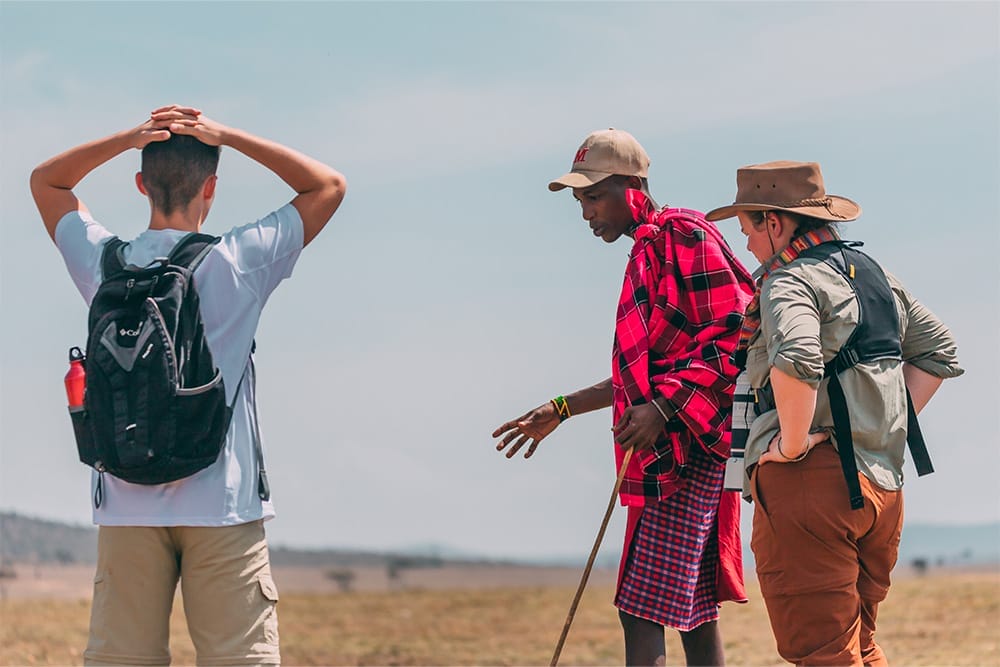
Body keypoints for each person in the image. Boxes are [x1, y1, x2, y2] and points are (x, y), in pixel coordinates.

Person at [31, 105, 346, 666]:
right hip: (222, 502)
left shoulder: (105, 263)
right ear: (212, 187)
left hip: (125, 502)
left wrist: (128, 138)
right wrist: (229, 136)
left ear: (140, 184)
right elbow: (327, 186)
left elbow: (47, 181)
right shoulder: (237, 260)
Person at [492, 129, 754, 666]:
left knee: (640, 608)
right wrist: (562, 408)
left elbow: (738, 334)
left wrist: (663, 409)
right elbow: (644, 377)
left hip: (690, 449)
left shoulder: (685, 236)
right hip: (670, 451)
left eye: (593, 196)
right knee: (693, 611)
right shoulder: (649, 250)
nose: (586, 212)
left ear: (632, 187)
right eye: (579, 201)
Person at [704, 160, 963, 666]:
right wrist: (881, 424)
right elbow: (939, 353)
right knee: (858, 648)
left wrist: (792, 444)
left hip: (812, 487)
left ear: (774, 222)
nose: (746, 244)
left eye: (748, 228)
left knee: (823, 655)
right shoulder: (874, 275)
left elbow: (797, 357)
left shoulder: (788, 282)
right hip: (882, 486)